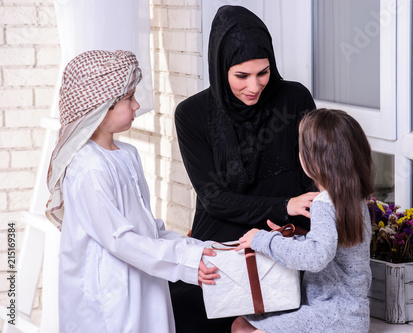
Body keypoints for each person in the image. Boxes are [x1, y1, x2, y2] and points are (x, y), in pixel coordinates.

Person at [45, 50, 219, 333]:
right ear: (101, 107)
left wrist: (203, 250)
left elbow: (147, 229)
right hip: (110, 297)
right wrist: (186, 262)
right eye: (128, 98)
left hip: (143, 281)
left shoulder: (127, 154)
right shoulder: (89, 167)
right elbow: (120, 240)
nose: (137, 105)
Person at [171, 5, 318, 332]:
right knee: (182, 305)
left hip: (285, 242)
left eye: (263, 73)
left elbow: (314, 177)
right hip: (223, 246)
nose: (254, 86)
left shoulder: (294, 99)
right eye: (241, 76)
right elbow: (213, 198)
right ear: (220, 68)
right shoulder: (191, 114)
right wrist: (283, 205)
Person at [232, 108, 374, 333]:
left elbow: (317, 257)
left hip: (330, 315)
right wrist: (295, 238)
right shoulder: (353, 198)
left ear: (312, 160)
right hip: (350, 314)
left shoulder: (324, 203)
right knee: (243, 322)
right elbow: (332, 247)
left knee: (243, 327)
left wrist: (261, 240)